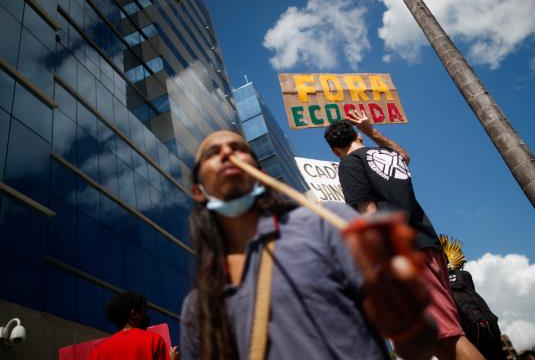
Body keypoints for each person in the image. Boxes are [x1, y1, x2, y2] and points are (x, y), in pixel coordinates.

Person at [180, 130, 438, 360]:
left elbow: (420, 347)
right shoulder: (198, 305)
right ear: (198, 191)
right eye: (214, 152)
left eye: (239, 149)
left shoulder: (327, 222)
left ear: (260, 176)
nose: (227, 152)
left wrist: (405, 317)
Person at [324, 110, 484, 360]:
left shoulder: (348, 164)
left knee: (447, 336)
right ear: (359, 136)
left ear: (334, 151)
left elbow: (368, 212)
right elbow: (405, 156)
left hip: (403, 255)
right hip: (427, 246)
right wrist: (372, 131)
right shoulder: (388, 155)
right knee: (437, 340)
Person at [440, 235, 505, 360]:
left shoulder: (439, 280)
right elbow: (473, 292)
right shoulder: (464, 274)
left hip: (466, 328)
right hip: (488, 322)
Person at [88, 291, 179, 360]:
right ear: (134, 314)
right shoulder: (153, 341)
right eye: (144, 312)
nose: (146, 316)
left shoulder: (97, 353)